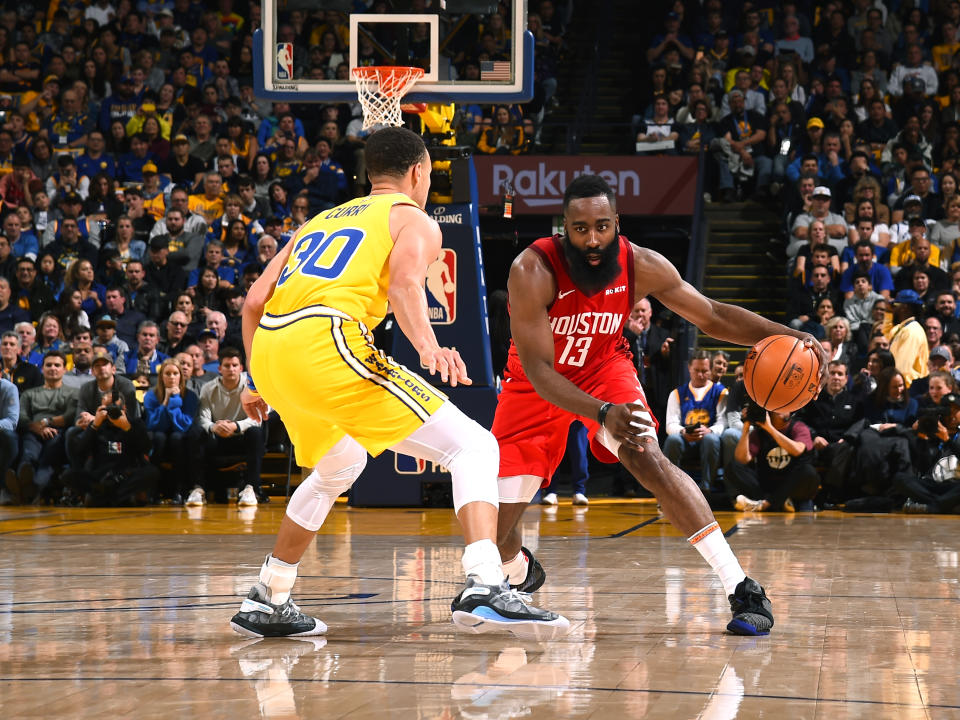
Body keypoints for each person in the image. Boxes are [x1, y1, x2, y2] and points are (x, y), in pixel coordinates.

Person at [232, 127, 567, 639]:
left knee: (338, 465)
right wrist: (430, 347)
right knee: (474, 446)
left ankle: (269, 595)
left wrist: (258, 380)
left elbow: (254, 299)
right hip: (329, 338)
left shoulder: (317, 221)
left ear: (371, 174)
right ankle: (485, 584)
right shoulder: (414, 219)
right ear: (418, 172)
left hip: (275, 346)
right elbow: (408, 283)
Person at [491, 174, 826, 638]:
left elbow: (712, 314)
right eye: (581, 228)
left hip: (604, 370)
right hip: (536, 385)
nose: (592, 239)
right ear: (562, 228)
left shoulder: (641, 265)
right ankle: (516, 568)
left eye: (603, 227)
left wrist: (786, 335)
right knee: (499, 528)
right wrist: (598, 412)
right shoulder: (531, 270)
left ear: (617, 224)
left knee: (648, 454)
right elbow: (542, 371)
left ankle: (741, 586)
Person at [13, 351, 77, 503]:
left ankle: (28, 489)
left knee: (46, 461)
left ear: (64, 369)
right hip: (33, 431)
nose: (52, 368)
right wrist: (37, 427)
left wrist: (47, 423)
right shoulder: (29, 394)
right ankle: (25, 485)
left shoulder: (73, 393)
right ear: (42, 369)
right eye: (48, 365)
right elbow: (21, 416)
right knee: (29, 456)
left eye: (57, 365)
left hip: (58, 433)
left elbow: (69, 416)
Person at [728, 407, 819, 512]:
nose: (781, 409)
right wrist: (746, 428)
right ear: (769, 412)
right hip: (769, 483)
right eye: (777, 407)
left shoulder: (798, 427)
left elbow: (797, 450)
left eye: (785, 406)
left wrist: (771, 429)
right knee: (734, 467)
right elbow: (742, 459)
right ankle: (780, 502)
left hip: (792, 483)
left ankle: (766, 504)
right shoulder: (759, 432)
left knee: (808, 471)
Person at [662, 351, 726, 493]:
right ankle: (670, 489)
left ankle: (706, 487)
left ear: (710, 370)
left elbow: (723, 422)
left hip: (709, 443)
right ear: (689, 368)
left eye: (704, 371)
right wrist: (683, 431)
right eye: (696, 370)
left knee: (711, 439)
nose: (700, 375)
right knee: (673, 439)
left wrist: (710, 430)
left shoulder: (721, 392)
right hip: (686, 441)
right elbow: (670, 424)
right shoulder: (677, 393)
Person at [144, 358, 199, 503]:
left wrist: (174, 400)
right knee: (159, 437)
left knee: (176, 438)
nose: (172, 377)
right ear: (161, 376)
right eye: (167, 373)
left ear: (181, 376)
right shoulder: (151, 395)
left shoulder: (190, 396)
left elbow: (183, 425)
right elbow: (153, 424)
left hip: (181, 437)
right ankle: (153, 490)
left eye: (175, 373)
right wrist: (166, 400)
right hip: (158, 435)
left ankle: (179, 490)